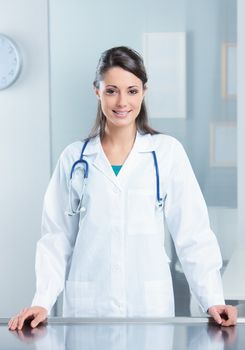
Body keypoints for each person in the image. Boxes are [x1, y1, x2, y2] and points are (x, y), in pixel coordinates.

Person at [8, 46, 237, 330]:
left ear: (144, 92)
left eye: (132, 91)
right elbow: (56, 238)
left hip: (148, 305)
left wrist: (212, 298)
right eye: (111, 90)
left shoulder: (166, 153)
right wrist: (41, 300)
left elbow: (193, 234)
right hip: (87, 307)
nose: (121, 102)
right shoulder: (74, 158)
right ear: (97, 92)